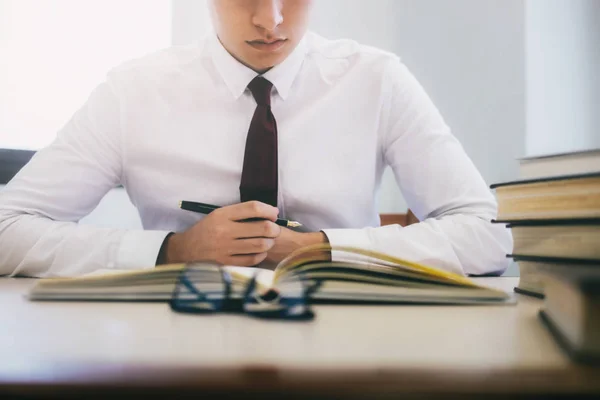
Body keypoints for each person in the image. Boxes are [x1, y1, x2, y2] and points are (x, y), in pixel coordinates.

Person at [0, 0, 512, 278]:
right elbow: (6, 230)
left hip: (348, 339)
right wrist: (174, 250)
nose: (271, 19)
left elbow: (489, 233)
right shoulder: (132, 92)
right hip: (173, 339)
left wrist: (320, 248)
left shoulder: (378, 79)